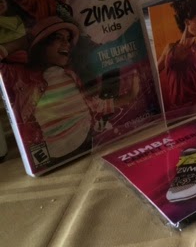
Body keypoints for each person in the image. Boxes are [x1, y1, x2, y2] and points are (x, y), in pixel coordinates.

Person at [0, 16, 139, 161]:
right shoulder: (21, 76)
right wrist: (22, 42)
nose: (66, 43)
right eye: (58, 38)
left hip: (87, 144)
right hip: (51, 157)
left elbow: (90, 105)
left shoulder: (70, 75)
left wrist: (129, 97)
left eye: (68, 39)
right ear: (41, 44)